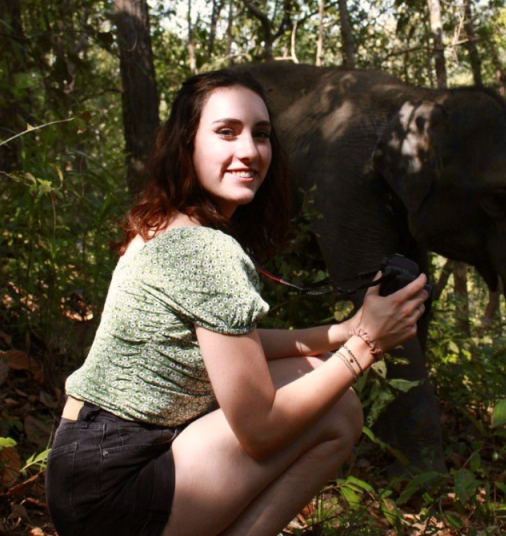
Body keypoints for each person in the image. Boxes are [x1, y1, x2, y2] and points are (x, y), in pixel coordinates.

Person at [45, 69, 430, 536]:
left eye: (262, 135)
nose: (249, 151)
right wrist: (366, 346)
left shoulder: (164, 224)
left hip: (81, 467)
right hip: (115, 490)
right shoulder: (207, 251)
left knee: (310, 375)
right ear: (186, 144)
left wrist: (343, 332)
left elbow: (232, 347)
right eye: (226, 132)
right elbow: (260, 431)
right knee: (340, 407)